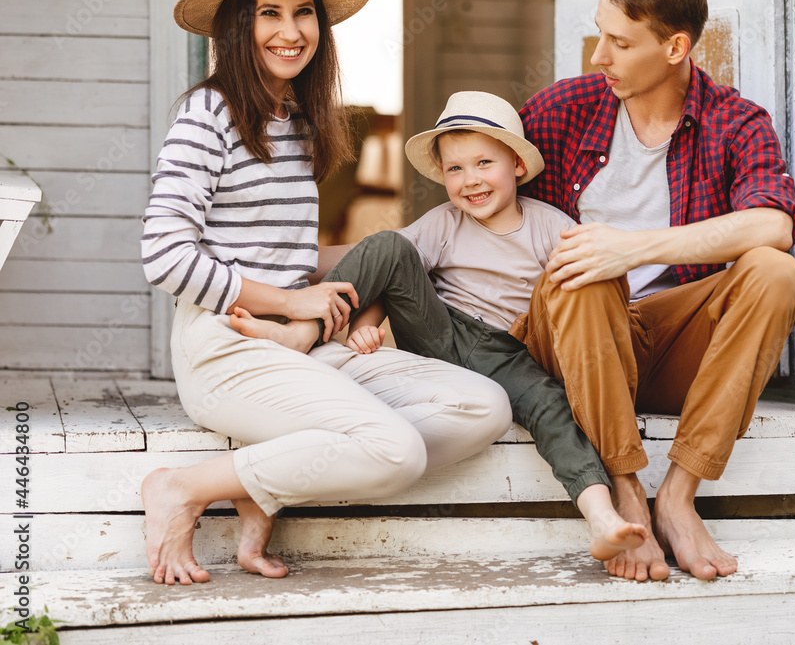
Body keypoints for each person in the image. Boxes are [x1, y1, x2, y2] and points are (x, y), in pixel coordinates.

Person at [139, 0, 511, 585]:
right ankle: (183, 485)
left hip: (305, 345)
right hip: (227, 345)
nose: (291, 30)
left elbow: (286, 255)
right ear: (236, 25)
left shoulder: (297, 120)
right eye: (269, 13)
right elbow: (164, 253)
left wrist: (404, 253)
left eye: (303, 12)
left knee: (484, 405)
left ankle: (264, 483)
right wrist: (288, 302)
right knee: (393, 449)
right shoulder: (209, 112)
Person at [232, 90, 649, 566]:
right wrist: (283, 265)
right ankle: (301, 333)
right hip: (439, 335)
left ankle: (601, 517)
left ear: (516, 164)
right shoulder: (444, 223)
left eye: (483, 163)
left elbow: (582, 300)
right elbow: (381, 261)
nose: (470, 180)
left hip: (508, 352)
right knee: (388, 243)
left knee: (552, 407)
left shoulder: (548, 226)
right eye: (455, 169)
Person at [510, 0, 795, 582]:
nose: (599, 55)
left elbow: (774, 224)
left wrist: (638, 245)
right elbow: (468, 204)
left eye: (619, 43)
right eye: (600, 35)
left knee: (776, 272)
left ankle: (677, 496)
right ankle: (625, 491)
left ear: (675, 48)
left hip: (670, 344)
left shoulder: (736, 123)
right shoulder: (559, 111)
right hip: (569, 343)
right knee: (585, 269)